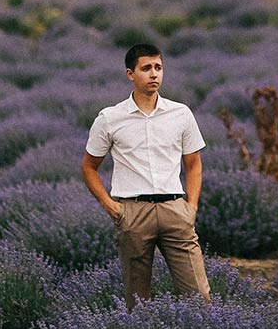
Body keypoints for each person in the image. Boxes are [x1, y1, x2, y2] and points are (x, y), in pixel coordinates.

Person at [82, 43, 211, 309]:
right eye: (146, 68)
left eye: (158, 68)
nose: (154, 74)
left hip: (174, 210)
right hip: (133, 213)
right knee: (138, 302)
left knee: (198, 296)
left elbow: (194, 163)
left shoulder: (181, 113)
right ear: (131, 74)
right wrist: (111, 207)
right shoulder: (110, 118)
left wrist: (192, 206)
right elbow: (89, 166)